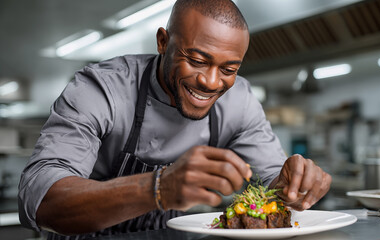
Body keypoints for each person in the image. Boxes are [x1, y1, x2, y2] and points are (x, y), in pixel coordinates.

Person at [18, 0, 331, 239]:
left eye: (228, 69)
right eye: (196, 60)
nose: (211, 82)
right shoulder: (101, 89)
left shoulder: (241, 101)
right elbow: (40, 200)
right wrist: (158, 188)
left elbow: (274, 184)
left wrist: (295, 185)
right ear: (163, 43)